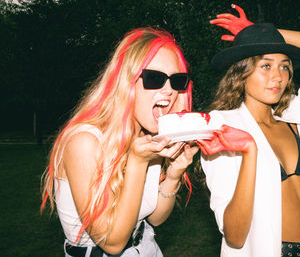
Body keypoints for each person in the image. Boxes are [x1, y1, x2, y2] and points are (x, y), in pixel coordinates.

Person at [197, 5, 300, 256]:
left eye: (285, 66)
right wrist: (249, 150)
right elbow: (234, 235)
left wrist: (259, 31)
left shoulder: (296, 115)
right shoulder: (222, 127)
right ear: (241, 72)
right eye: (266, 66)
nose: (278, 76)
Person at [41, 27, 199, 256]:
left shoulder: (146, 138)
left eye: (177, 80)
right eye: (154, 78)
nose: (169, 90)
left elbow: (155, 217)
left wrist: (174, 173)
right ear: (126, 82)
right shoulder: (84, 142)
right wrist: (137, 162)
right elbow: (112, 242)